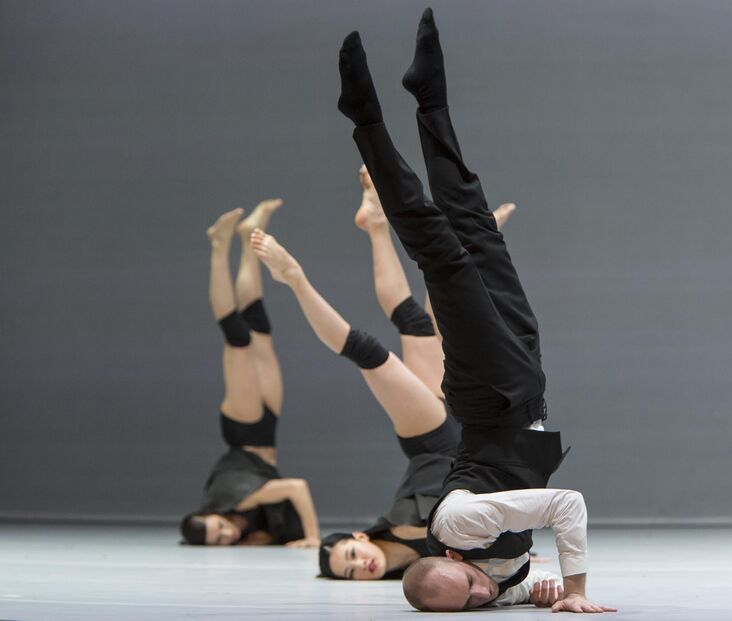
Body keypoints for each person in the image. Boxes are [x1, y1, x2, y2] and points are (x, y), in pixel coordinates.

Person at [334, 8, 617, 612]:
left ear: (454, 559)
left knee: (442, 254)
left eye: (469, 589)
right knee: (478, 230)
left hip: (492, 393)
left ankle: (365, 118)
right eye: (472, 603)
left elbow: (567, 506)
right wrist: (535, 592)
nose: (482, 595)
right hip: (523, 389)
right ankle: (430, 100)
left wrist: (574, 593)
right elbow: (511, 588)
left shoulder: (462, 524)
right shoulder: (494, 584)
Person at [248, 167, 515, 579]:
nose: (361, 566)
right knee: (420, 320)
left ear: (360, 537)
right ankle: (379, 225)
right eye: (352, 571)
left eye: (351, 556)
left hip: (436, 443)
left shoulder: (396, 530)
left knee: (368, 351)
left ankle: (295, 278)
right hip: (465, 431)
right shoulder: (405, 576)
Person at [180, 200, 320, 548]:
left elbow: (297, 488)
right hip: (265, 432)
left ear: (215, 513)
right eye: (221, 539)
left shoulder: (237, 500)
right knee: (257, 324)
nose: (227, 534)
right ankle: (247, 238)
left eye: (219, 528)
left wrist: (314, 538)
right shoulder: (244, 524)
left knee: (237, 338)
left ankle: (218, 244)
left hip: (244, 431)